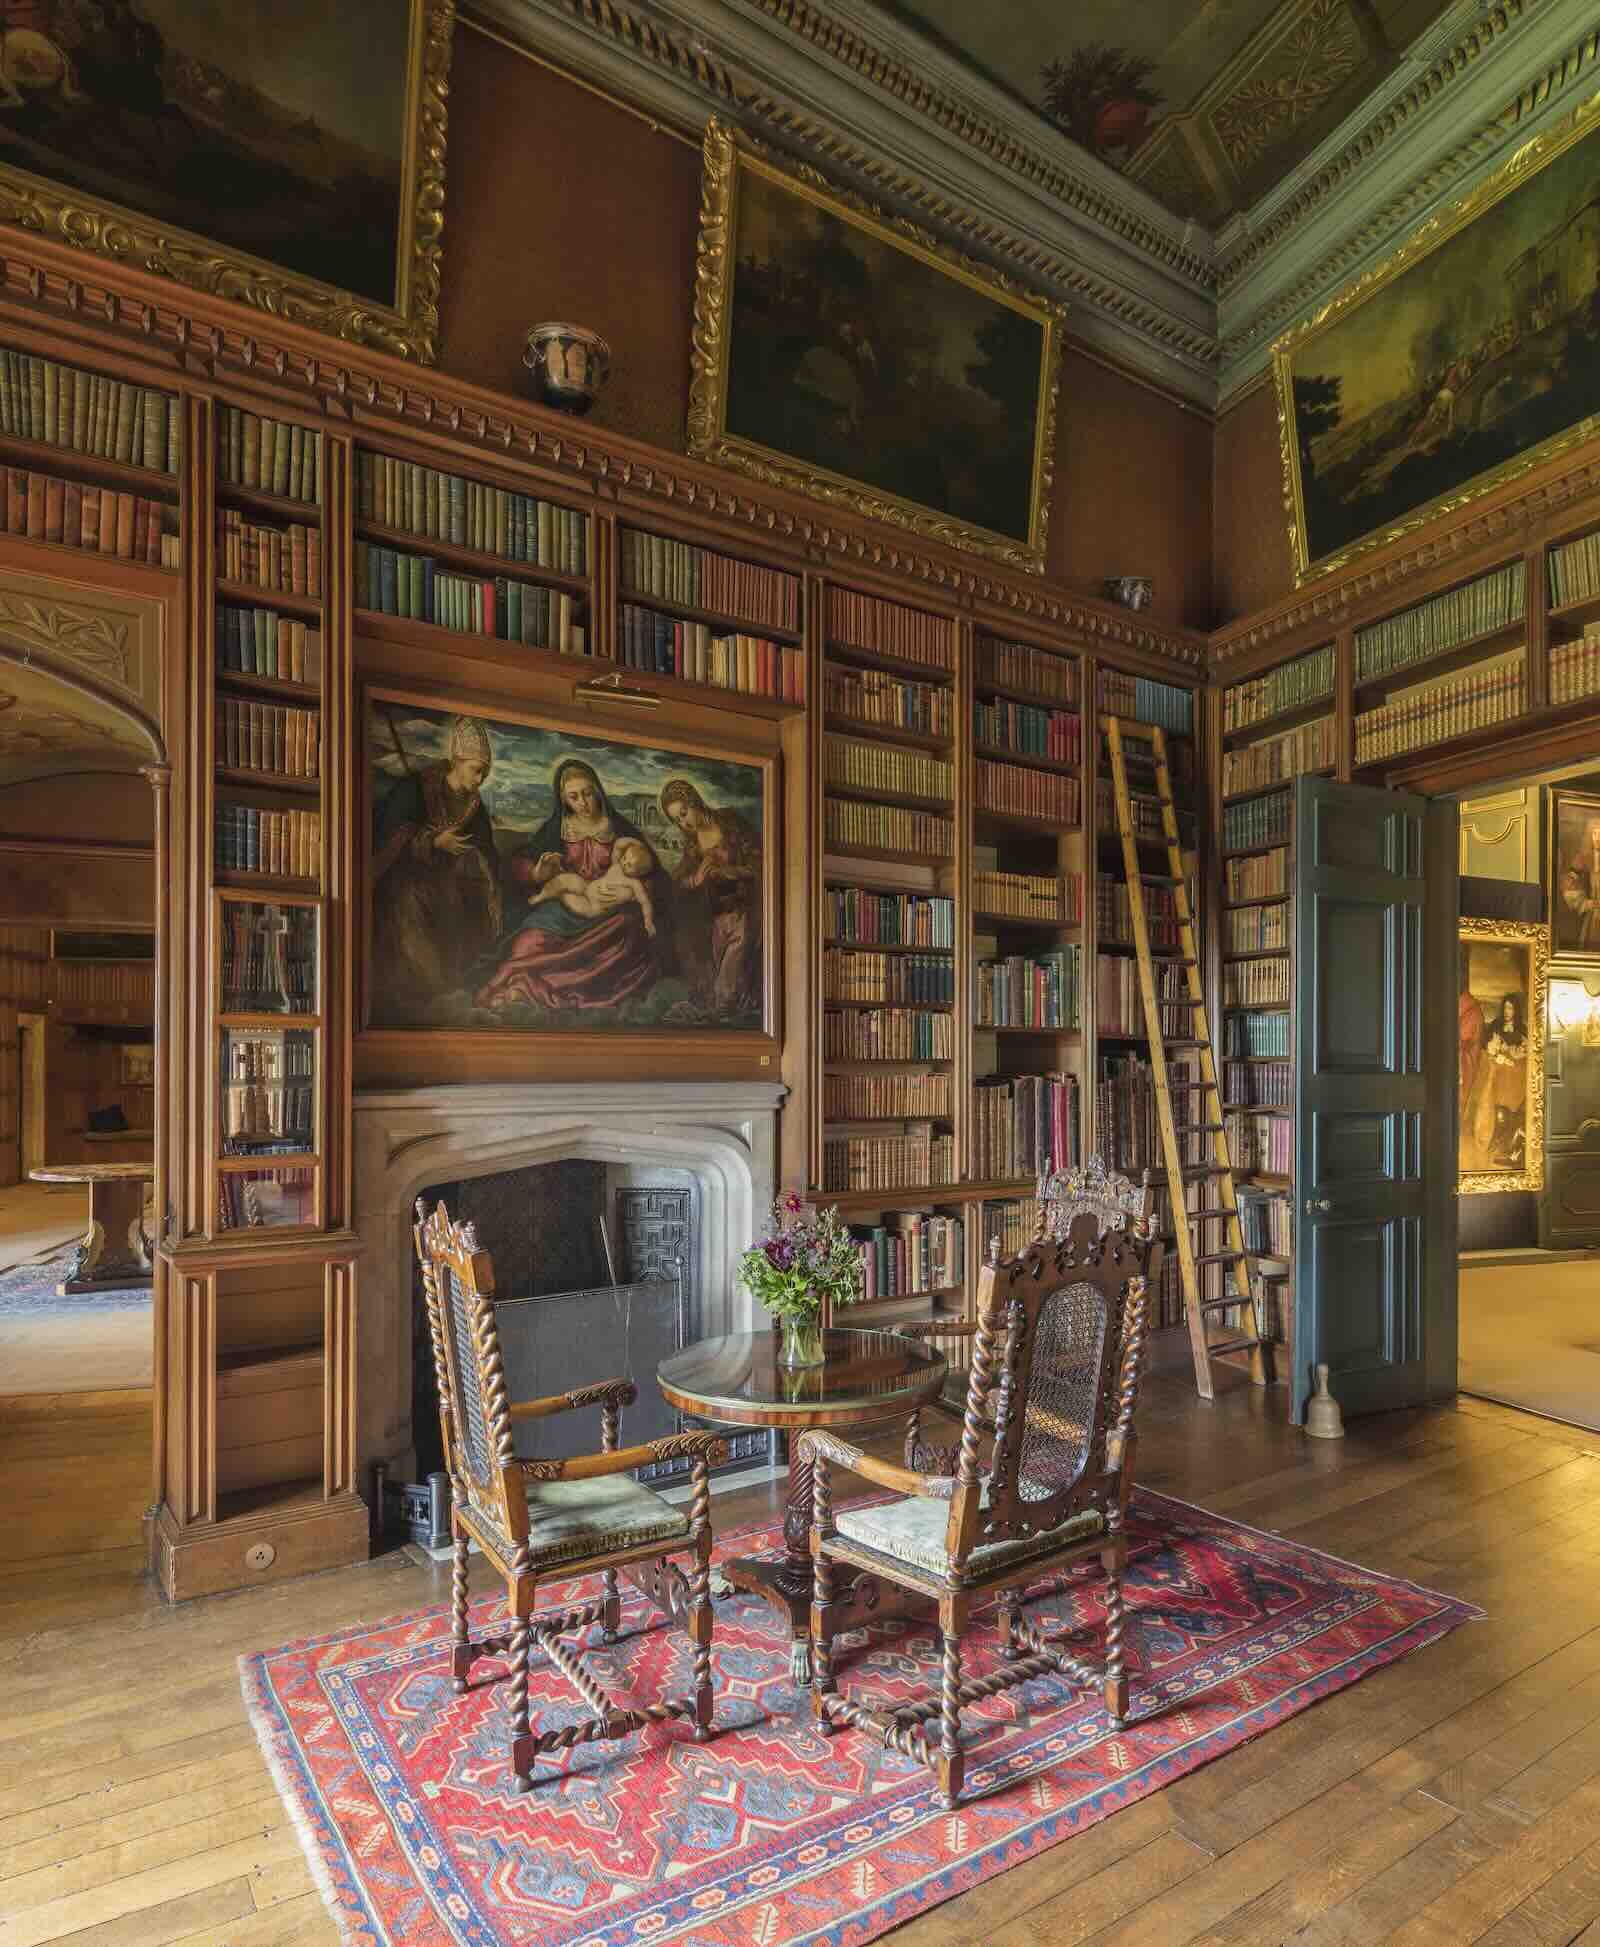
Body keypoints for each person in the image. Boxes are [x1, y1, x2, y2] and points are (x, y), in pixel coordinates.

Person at [473, 757, 668, 1014]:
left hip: (607, 911)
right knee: (528, 942)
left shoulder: (617, 828)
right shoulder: (558, 828)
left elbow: (649, 870)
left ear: (597, 791)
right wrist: (537, 872)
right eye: (574, 797)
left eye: (588, 794)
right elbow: (523, 863)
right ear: (564, 799)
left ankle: (565, 992)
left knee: (629, 930)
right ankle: (516, 986)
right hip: (566, 904)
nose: (583, 803)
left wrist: (627, 893)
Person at [370, 714, 500, 1023]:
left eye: (484, 773)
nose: (479, 779)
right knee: (413, 905)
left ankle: (453, 989)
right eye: (476, 771)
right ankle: (424, 991)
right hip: (407, 877)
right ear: (457, 761)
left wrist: (485, 875)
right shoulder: (417, 788)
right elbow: (391, 835)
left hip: (448, 882)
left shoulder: (474, 806)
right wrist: (432, 842)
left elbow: (486, 851)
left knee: (464, 905)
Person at [660, 777, 762, 1017]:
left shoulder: (730, 822)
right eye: (677, 820)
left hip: (744, 907)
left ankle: (723, 1007)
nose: (683, 823)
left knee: (732, 966)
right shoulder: (693, 846)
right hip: (716, 913)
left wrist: (726, 872)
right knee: (714, 963)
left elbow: (759, 865)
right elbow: (681, 880)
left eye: (684, 813)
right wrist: (695, 880)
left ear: (695, 802)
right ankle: (716, 1007)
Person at [527, 835, 658, 937]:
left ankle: (558, 895)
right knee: (565, 879)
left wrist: (648, 922)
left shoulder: (634, 883)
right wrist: (637, 844)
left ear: (639, 872)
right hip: (587, 887)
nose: (624, 863)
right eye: (625, 858)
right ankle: (540, 896)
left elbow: (645, 902)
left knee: (565, 896)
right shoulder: (616, 865)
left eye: (629, 865)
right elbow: (618, 845)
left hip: (593, 906)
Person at [1473, 993, 1529, 1168]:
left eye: (1511, 1008)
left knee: (1513, 1104)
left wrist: (1510, 1052)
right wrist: (1496, 1052)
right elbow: (1485, 1046)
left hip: (1515, 1072)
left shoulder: (1523, 1029)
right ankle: (1494, 1138)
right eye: (1505, 1007)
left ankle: (1510, 1145)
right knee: (1493, 1096)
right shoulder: (1495, 1025)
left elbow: (1524, 1052)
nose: (1507, 1011)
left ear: (1516, 1010)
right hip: (1498, 1068)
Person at [1559, 816, 1600, 950]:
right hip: (1591, 917)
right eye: (1595, 833)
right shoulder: (1582, 859)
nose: (1598, 838)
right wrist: (1585, 903)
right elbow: (1568, 884)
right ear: (1590, 835)